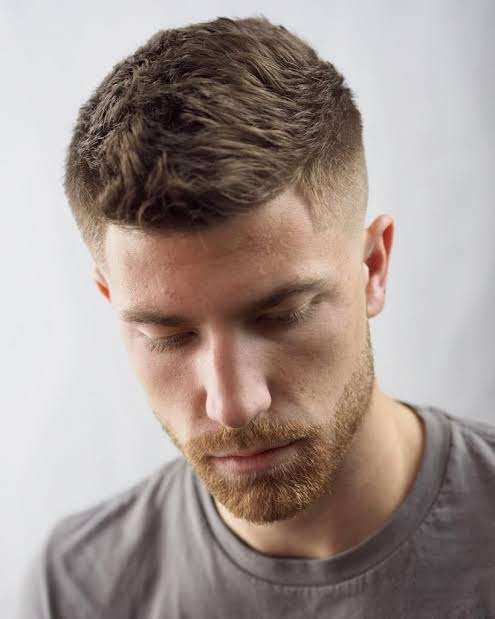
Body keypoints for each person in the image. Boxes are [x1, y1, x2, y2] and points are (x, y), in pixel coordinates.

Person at [19, 15, 495, 619]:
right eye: (169, 335)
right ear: (111, 302)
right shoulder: (76, 592)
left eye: (282, 315)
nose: (234, 405)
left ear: (373, 266)